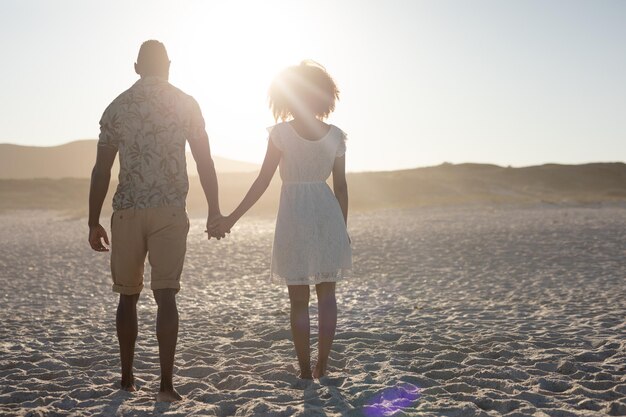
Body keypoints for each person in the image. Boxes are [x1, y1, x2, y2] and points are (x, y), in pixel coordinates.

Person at [88, 40, 225, 402]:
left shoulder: (116, 108)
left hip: (128, 210)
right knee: (166, 296)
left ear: (136, 67)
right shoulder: (186, 103)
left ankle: (127, 378)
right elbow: (204, 162)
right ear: (168, 66)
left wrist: (92, 221)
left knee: (127, 297)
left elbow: (101, 170)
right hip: (168, 209)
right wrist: (213, 210)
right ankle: (165, 386)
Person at [210, 60, 352, 379]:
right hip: (327, 215)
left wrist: (231, 218)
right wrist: (341, 229)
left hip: (295, 217)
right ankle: (320, 366)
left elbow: (262, 181)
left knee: (298, 299)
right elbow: (340, 187)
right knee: (326, 295)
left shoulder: (281, 134)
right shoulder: (335, 135)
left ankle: (305, 370)